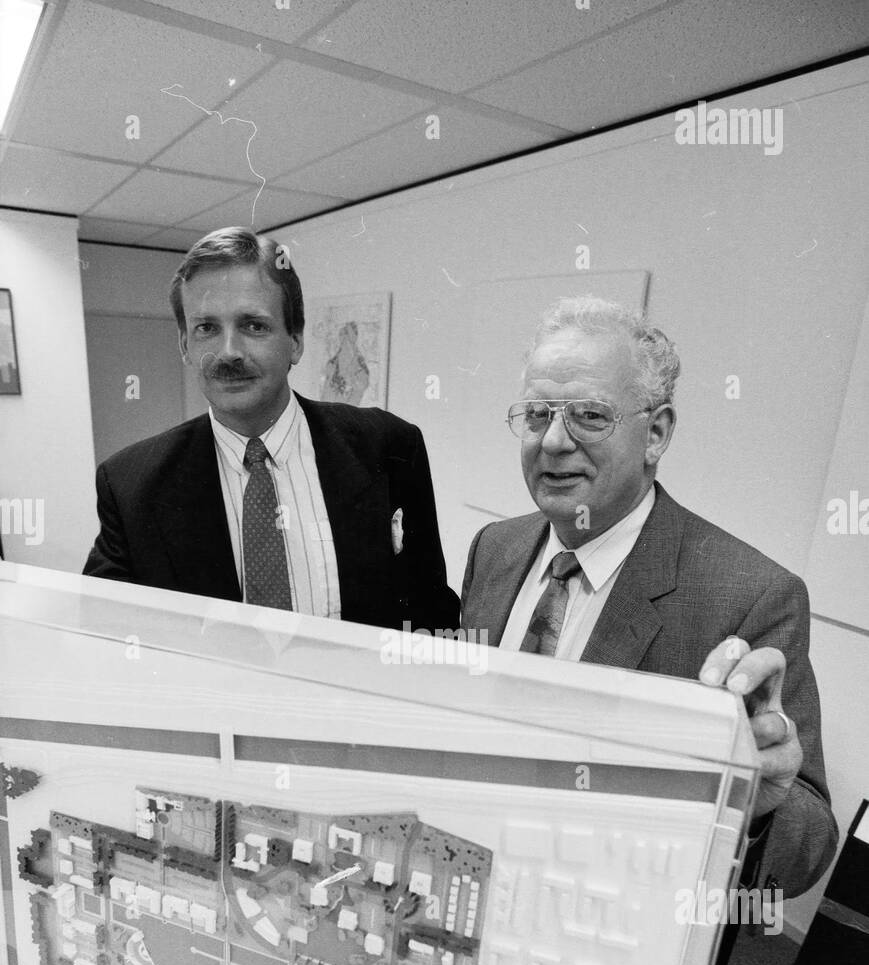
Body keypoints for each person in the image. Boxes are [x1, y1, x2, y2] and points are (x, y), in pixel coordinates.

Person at [461, 296, 837, 901]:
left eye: (588, 415)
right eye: (536, 414)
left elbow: (805, 849)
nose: (553, 441)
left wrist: (758, 810)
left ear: (656, 432)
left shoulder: (749, 596)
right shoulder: (494, 549)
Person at [84, 228, 458, 633]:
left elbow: (429, 606)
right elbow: (105, 631)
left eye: (253, 326)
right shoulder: (130, 485)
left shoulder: (389, 446)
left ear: (295, 340)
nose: (228, 352)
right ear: (184, 345)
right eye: (207, 328)